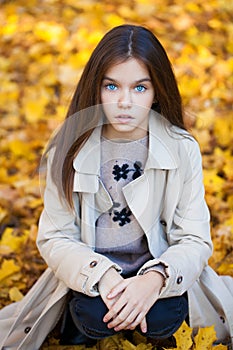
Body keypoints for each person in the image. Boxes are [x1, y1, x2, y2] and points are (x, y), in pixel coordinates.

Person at [0, 24, 233, 350]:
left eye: (140, 88)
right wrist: (104, 279)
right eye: (112, 87)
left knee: (163, 312)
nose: (125, 102)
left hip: (157, 271)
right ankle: (95, 319)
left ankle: (145, 318)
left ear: (156, 93)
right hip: (92, 276)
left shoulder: (181, 148)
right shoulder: (66, 147)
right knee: (93, 312)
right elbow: (55, 237)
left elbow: (194, 238)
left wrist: (154, 281)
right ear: (96, 88)